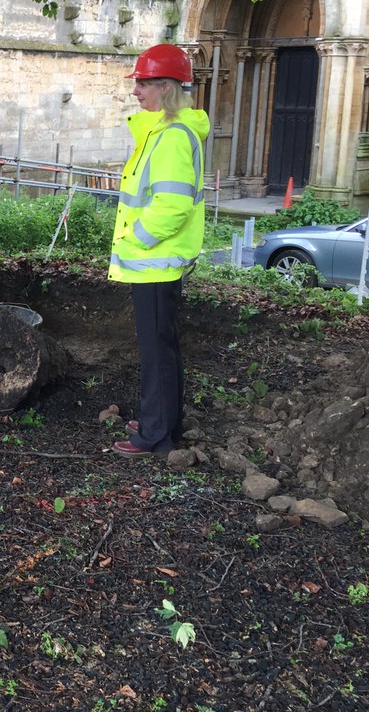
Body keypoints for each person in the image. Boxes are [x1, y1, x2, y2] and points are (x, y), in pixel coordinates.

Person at [108, 44, 209, 457]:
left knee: (156, 351)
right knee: (161, 347)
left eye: (143, 84)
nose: (136, 92)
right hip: (155, 263)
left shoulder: (170, 138)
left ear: (165, 88)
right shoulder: (168, 132)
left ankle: (155, 435)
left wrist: (137, 240)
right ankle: (163, 421)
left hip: (153, 262)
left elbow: (173, 204)